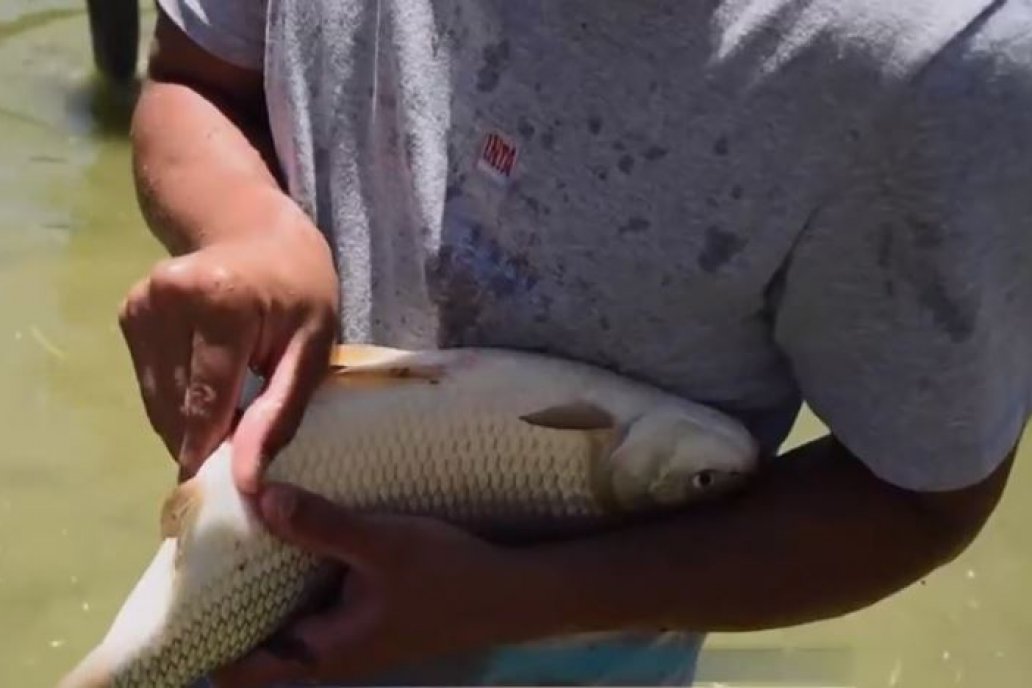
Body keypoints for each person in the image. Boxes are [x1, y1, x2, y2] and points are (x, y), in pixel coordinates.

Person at [119, 1, 1031, 686]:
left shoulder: (948, 66)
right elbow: (194, 79)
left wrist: (528, 599)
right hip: (221, 603)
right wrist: (244, 230)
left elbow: (919, 499)